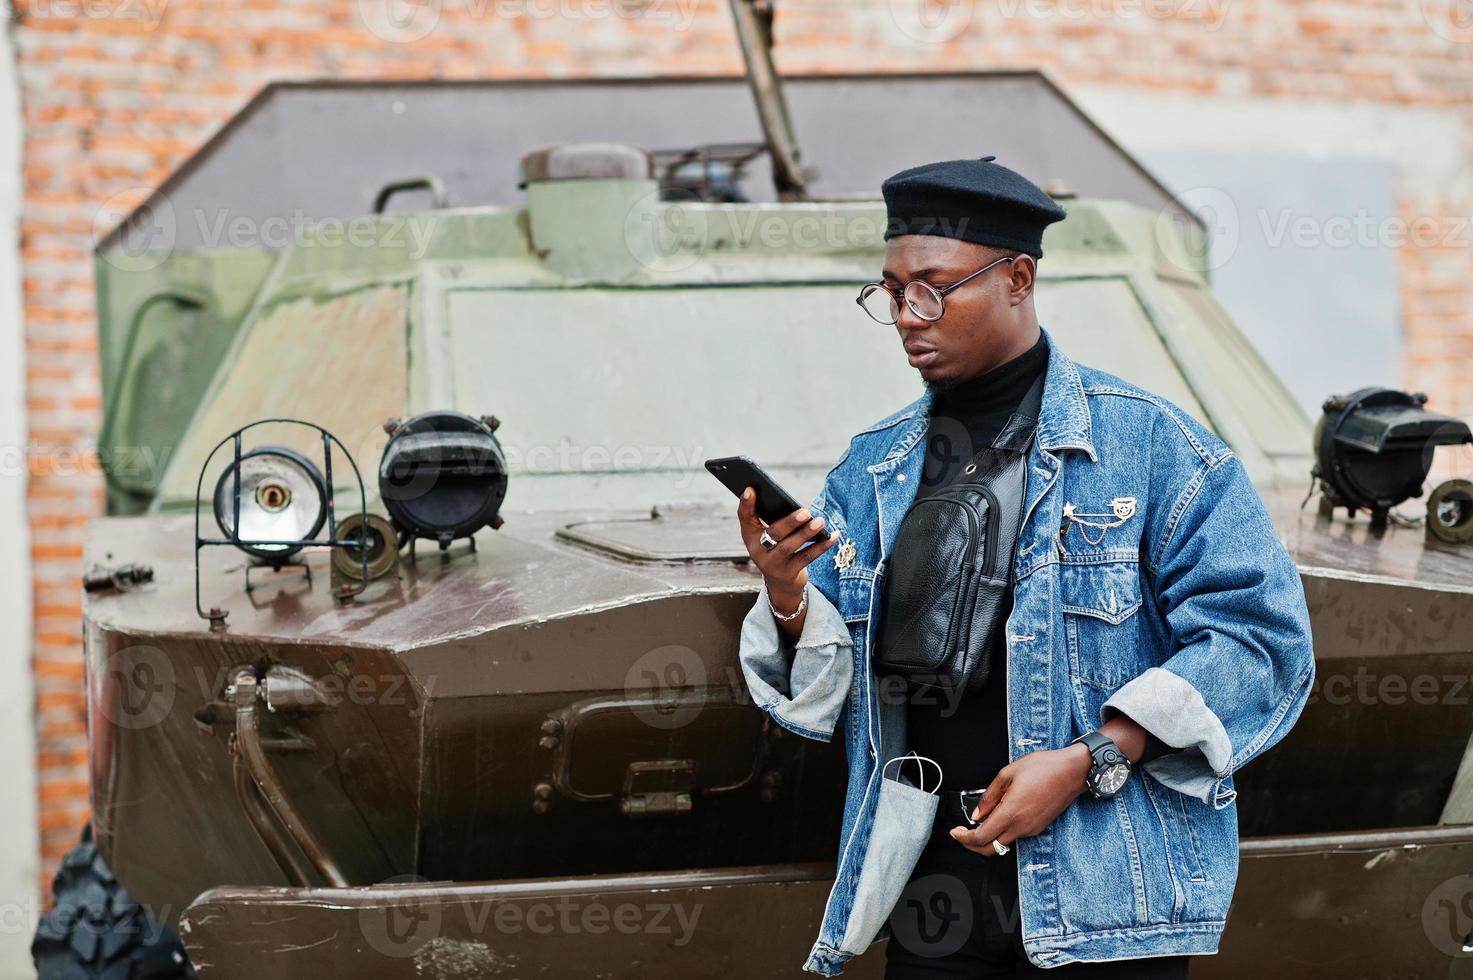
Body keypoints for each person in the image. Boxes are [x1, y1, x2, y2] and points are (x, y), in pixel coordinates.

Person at [733, 156, 1315, 977]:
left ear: (1016, 277)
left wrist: (1090, 760)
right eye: (891, 291)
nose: (906, 314)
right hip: (932, 900)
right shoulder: (873, 469)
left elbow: (1259, 643)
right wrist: (788, 592)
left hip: (1105, 901)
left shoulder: (1152, 449)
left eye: (932, 287)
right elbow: (820, 693)